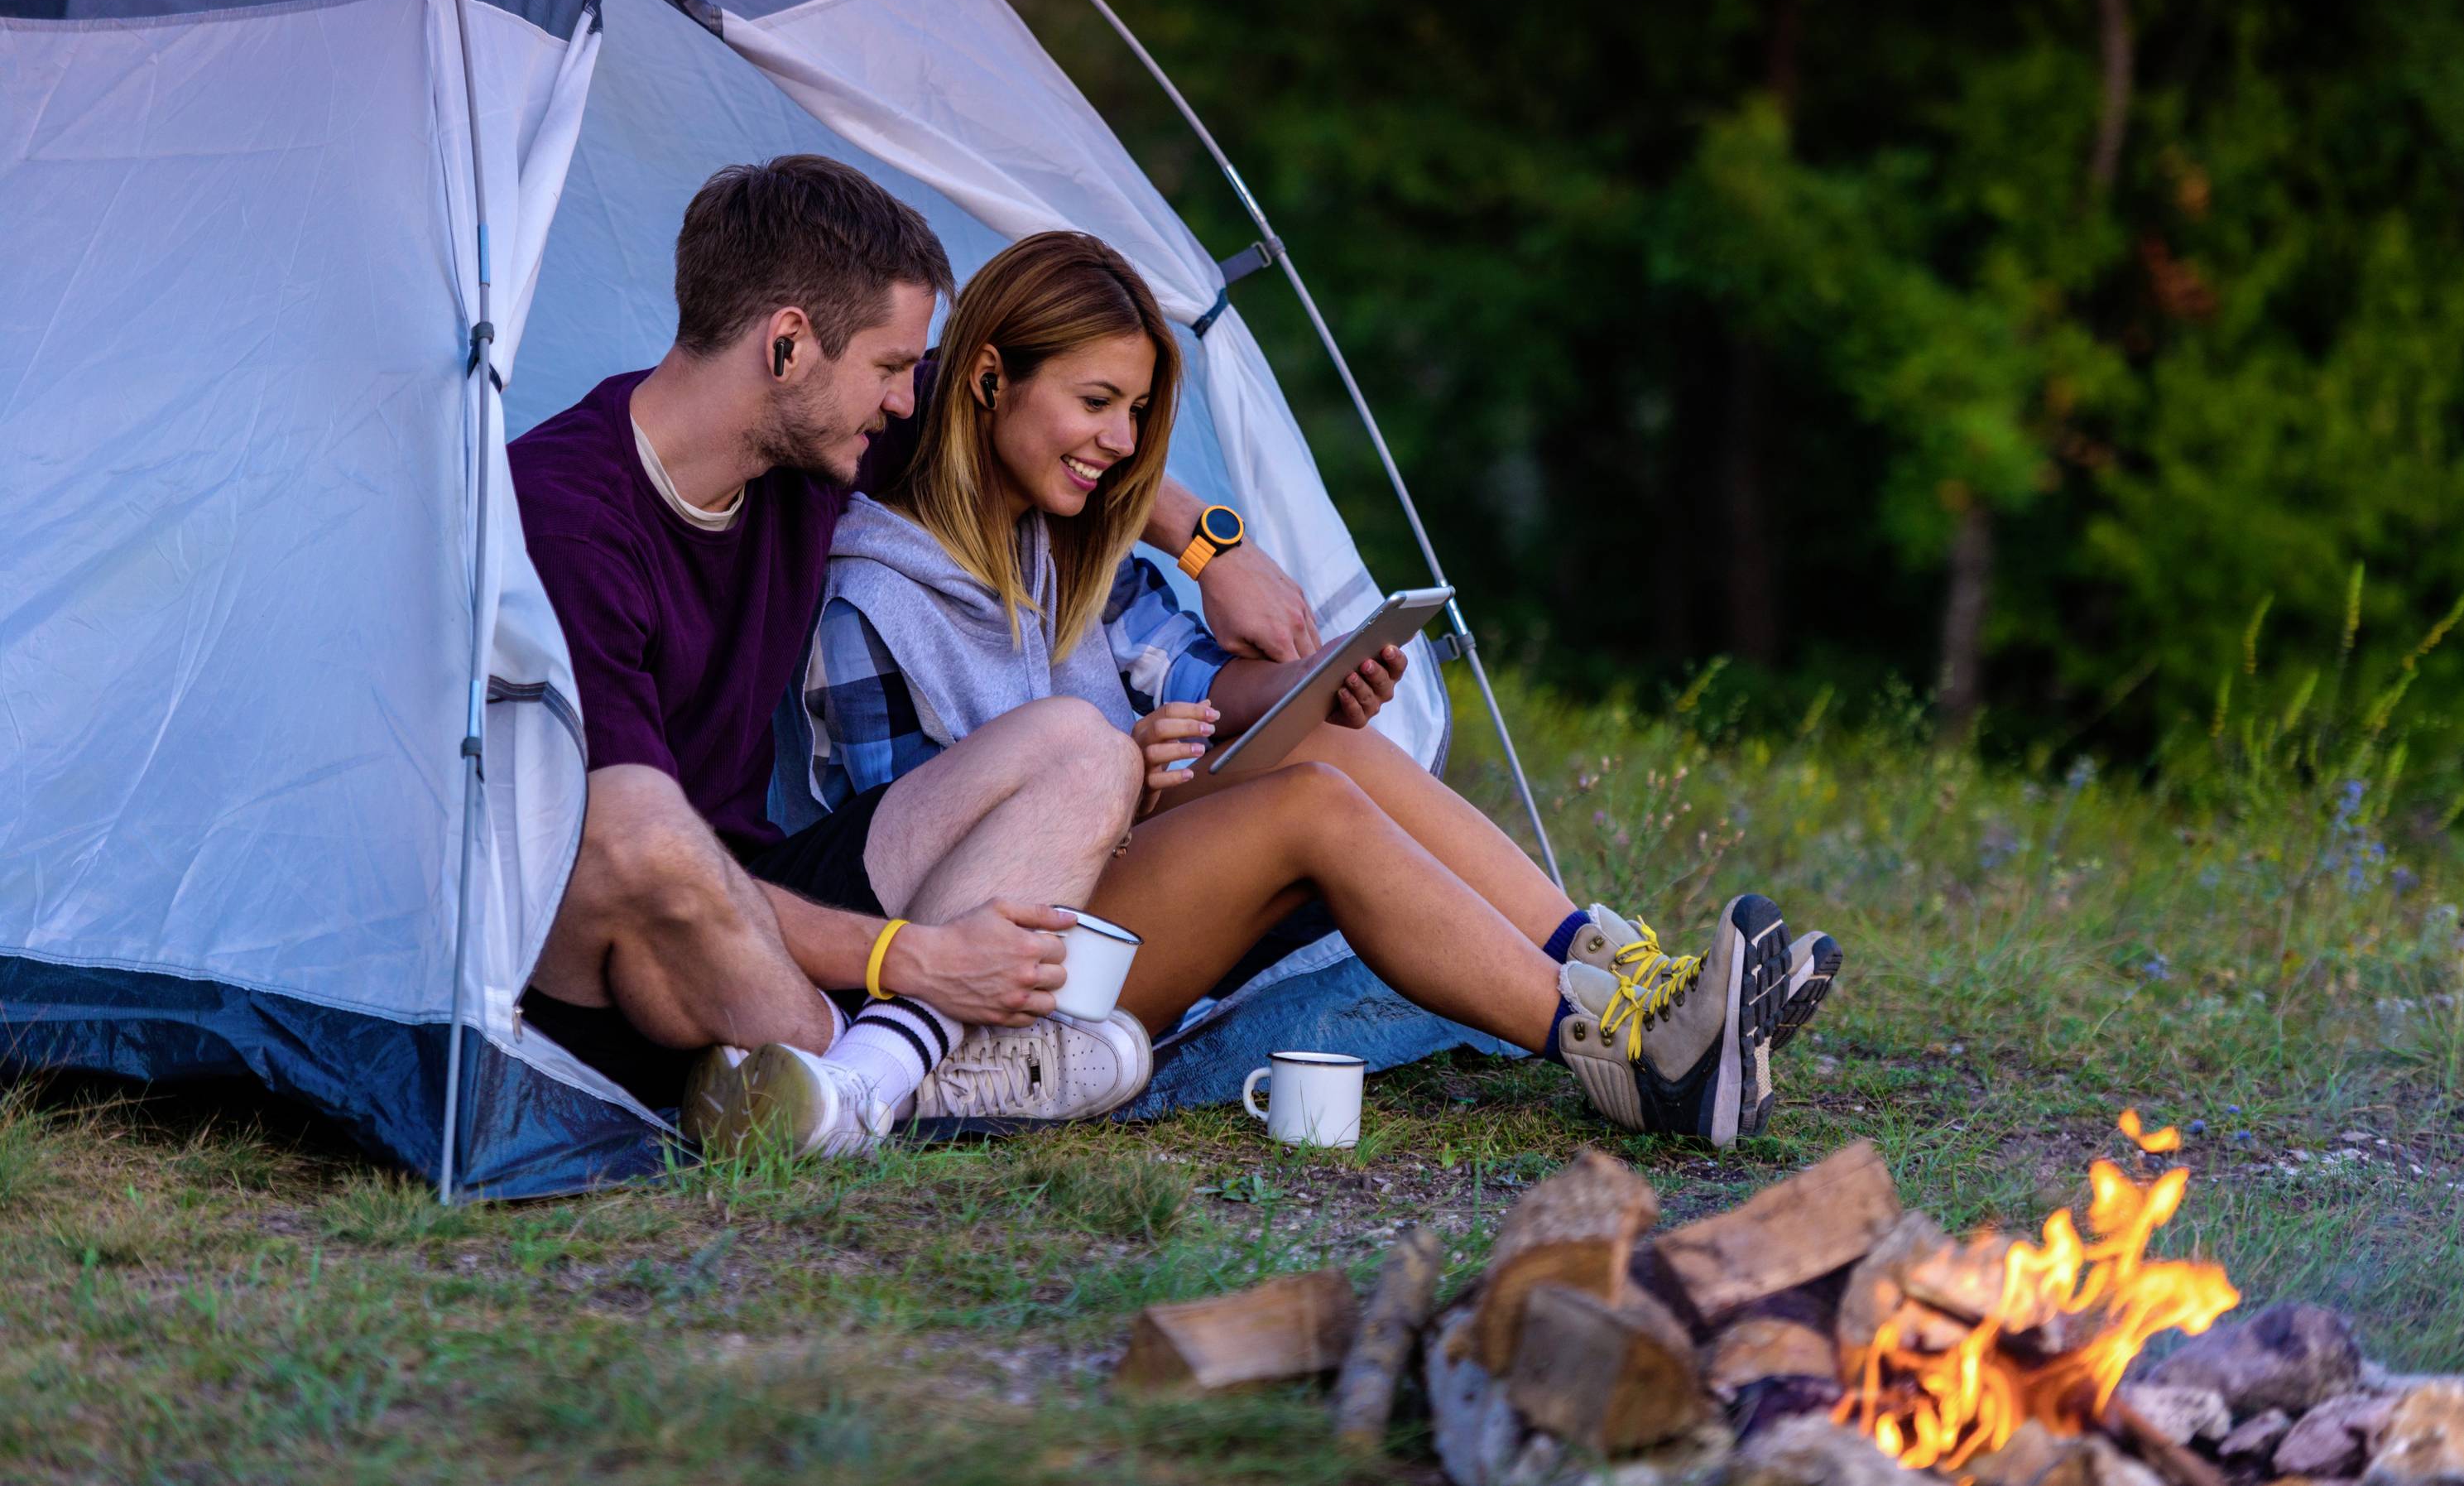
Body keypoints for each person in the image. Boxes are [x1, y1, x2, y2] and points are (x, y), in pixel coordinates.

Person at [795, 230, 1842, 1148]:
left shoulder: (1068, 550)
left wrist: (1317, 682)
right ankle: (1638, 1064)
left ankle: (1633, 984)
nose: (1120, 444)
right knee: (1310, 808)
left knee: (1323, 752)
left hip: (1110, 888)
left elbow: (1198, 678)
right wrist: (1123, 783)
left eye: (1137, 412)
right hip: (994, 976)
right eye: (1098, 403)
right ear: (986, 381)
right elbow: (918, 852)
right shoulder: (870, 601)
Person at [509, 156, 1329, 1157]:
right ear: (788, 346)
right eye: (892, 368)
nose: (906, 403)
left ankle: (862, 1083)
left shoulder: (806, 449)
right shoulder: (568, 515)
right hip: (629, 944)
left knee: (1084, 743)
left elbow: (1028, 411)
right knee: (643, 826)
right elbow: (625, 858)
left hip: (774, 896)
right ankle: (874, 1067)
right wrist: (918, 959)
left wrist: (1211, 545)